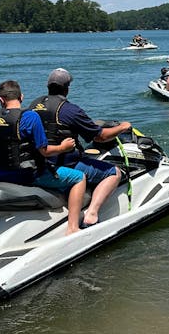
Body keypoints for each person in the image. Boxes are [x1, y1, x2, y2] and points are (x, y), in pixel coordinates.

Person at [28, 68, 132, 228]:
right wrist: (123, 127)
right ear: (67, 88)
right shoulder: (70, 110)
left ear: (48, 86)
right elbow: (100, 136)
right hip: (65, 165)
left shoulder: (34, 105)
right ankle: (91, 214)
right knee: (114, 173)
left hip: (39, 164)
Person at [0, 79, 86, 235]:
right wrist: (63, 147)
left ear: (1, 100)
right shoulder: (30, 117)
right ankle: (73, 227)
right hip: (29, 176)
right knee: (79, 177)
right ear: (22, 97)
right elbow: (45, 151)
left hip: (1, 174)